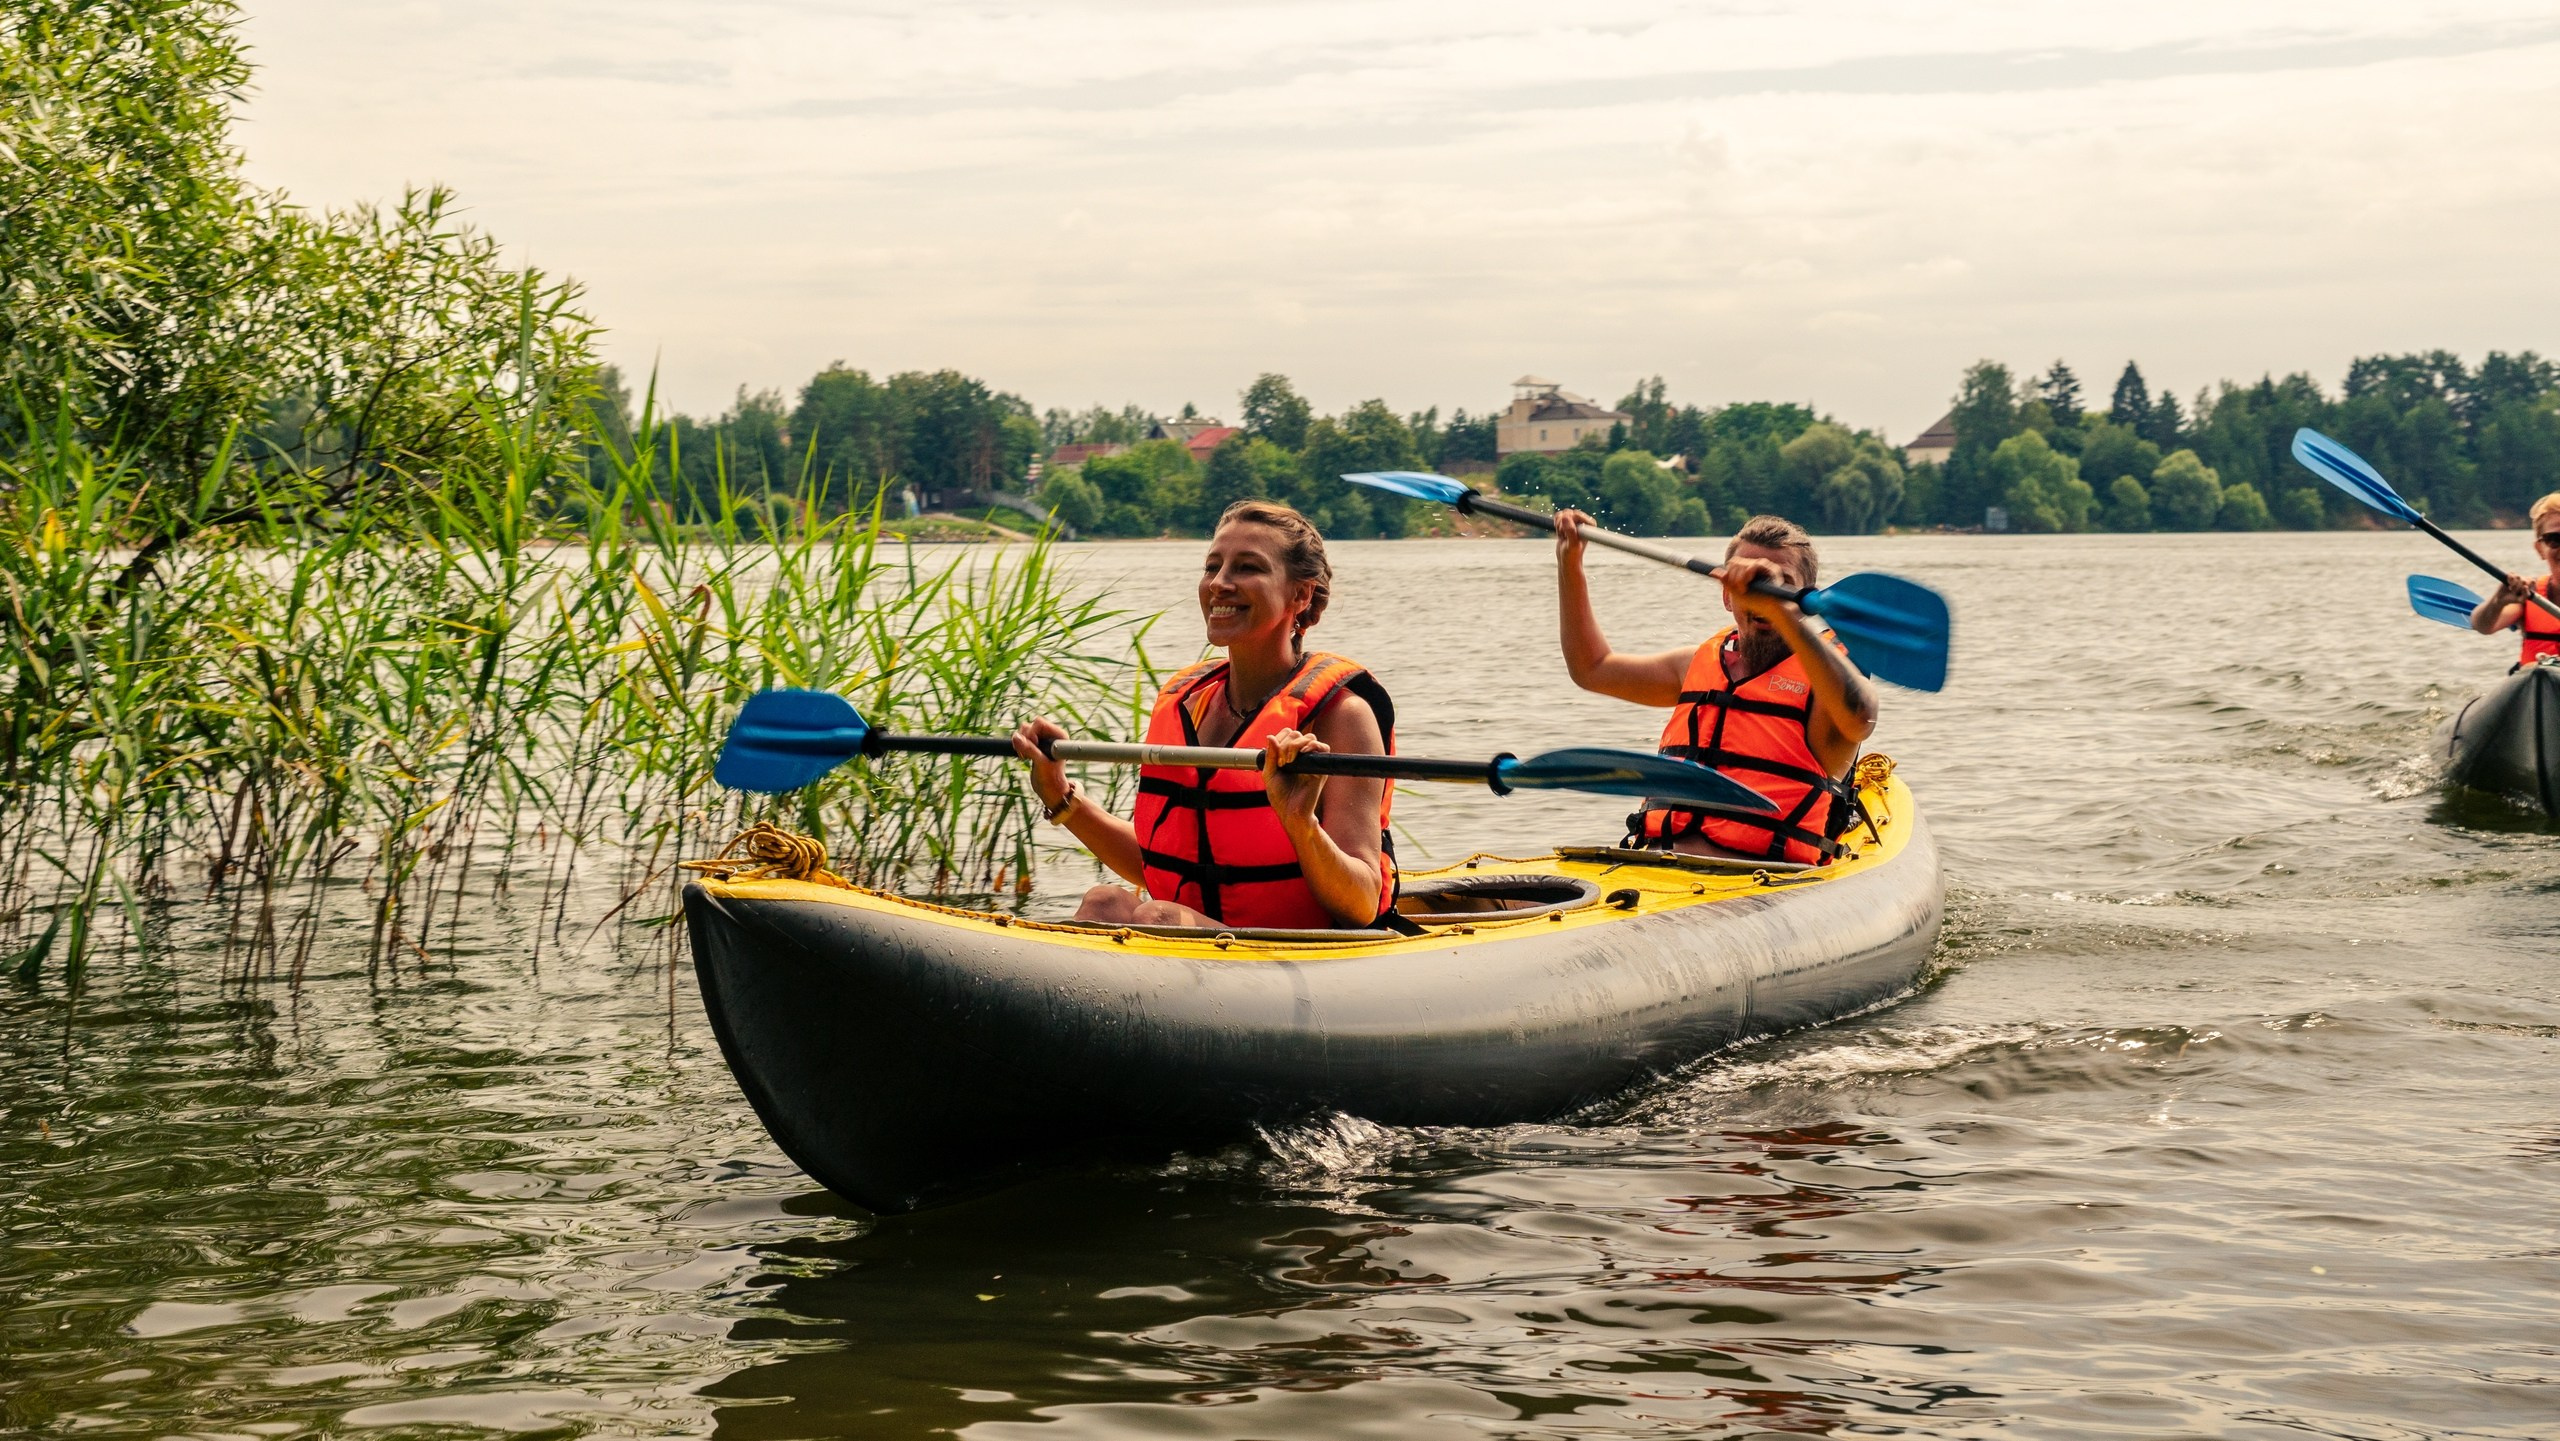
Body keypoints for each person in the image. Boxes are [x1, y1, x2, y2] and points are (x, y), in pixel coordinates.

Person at [1012, 500, 1396, 928]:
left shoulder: (1342, 717)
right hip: (1202, 940)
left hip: (1303, 955)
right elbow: (1162, 864)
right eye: (1213, 566)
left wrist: (1300, 823)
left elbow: (1362, 901)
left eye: (1247, 567)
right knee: (1104, 901)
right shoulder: (1187, 703)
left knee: (1158, 916)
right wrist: (1058, 793)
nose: (1220, 583)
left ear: (1301, 594)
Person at [1552, 510, 1877, 863]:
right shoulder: (1693, 665)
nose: (1761, 594)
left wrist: (1778, 608)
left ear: (1804, 600)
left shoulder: (1825, 685)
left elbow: (1861, 716)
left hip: (1765, 887)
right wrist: (1570, 562)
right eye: (1748, 583)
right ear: (1727, 596)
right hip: (1653, 871)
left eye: (1782, 581)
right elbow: (1592, 669)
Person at [2471, 491, 2560, 667]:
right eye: (2555, 539)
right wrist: (2498, 601)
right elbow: (2482, 626)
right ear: (2540, 549)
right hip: (2540, 688)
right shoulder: (2529, 595)